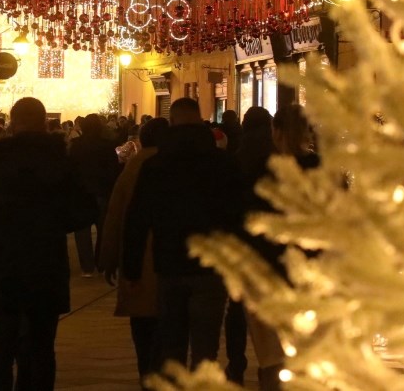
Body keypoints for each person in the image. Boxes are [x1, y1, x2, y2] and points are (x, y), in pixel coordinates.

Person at [0, 97, 98, 391]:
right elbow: (85, 209)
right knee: (42, 348)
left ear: (13, 122)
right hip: (46, 262)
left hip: (4, 263)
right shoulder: (60, 159)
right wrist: (56, 224)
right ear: (44, 122)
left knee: (2, 349)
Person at [123, 98, 244, 372]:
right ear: (201, 119)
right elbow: (238, 215)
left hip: (170, 263)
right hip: (211, 266)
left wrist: (132, 270)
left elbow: (138, 218)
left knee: (171, 344)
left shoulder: (156, 165)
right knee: (205, 347)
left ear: (173, 121)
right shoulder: (224, 163)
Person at [242, 105, 321, 391]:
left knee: (272, 358)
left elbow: (248, 223)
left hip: (267, 272)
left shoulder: (261, 173)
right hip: (313, 273)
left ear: (275, 132)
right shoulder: (321, 171)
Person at [98, 118, 169, 384]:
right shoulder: (174, 168)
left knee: (142, 329)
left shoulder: (131, 170)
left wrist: (108, 258)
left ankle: (146, 375)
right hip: (168, 264)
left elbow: (115, 217)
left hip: (136, 263)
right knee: (168, 331)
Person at [223, 106, 274, 385]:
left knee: (237, 310)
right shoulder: (279, 160)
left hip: (241, 246)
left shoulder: (236, 161)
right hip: (274, 246)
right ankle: (272, 363)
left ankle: (236, 364)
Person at [68, 113, 123, 276]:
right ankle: (101, 262)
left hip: (81, 193)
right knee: (103, 229)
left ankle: (87, 266)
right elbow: (113, 170)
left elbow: (71, 169)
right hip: (102, 191)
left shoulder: (76, 145)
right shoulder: (107, 146)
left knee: (82, 230)